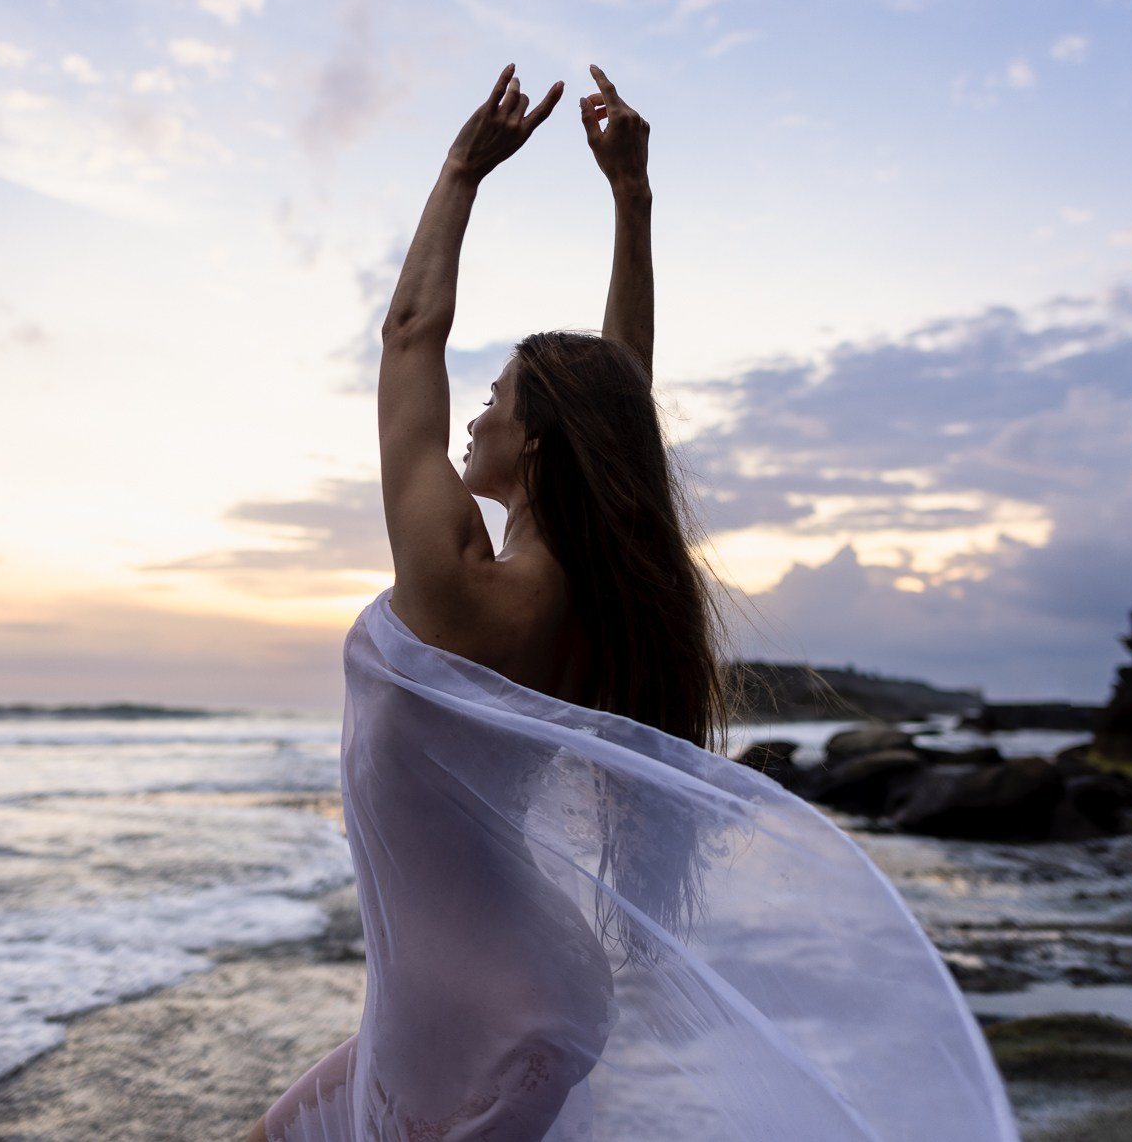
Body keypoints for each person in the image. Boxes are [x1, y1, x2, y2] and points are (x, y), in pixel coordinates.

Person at [250, 66, 1017, 1142]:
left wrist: (461, 170)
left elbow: (408, 334)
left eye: (496, 400)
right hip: (502, 991)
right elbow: (623, 396)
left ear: (535, 444)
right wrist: (630, 200)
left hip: (472, 1013)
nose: (472, 416)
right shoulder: (583, 588)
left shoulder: (456, 579)